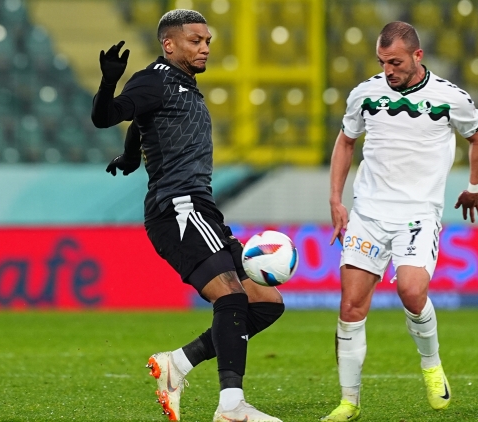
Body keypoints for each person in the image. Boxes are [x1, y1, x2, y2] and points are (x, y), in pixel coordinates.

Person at [91, 9, 285, 422]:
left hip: (202, 209)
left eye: (207, 41)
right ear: (169, 44)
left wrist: (131, 155)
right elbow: (106, 116)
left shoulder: (182, 86)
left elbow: (143, 121)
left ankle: (177, 363)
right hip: (179, 207)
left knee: (267, 303)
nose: (205, 48)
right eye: (195, 40)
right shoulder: (153, 79)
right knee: (231, 296)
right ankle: (231, 406)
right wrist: (108, 82)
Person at [322, 21, 478, 421]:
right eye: (382, 62)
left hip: (417, 214)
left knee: (412, 292)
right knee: (350, 306)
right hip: (369, 213)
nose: (388, 70)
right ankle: (349, 401)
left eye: (395, 62)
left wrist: (475, 186)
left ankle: (431, 365)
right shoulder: (365, 94)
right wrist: (335, 200)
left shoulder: (450, 98)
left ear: (417, 56)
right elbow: (346, 142)